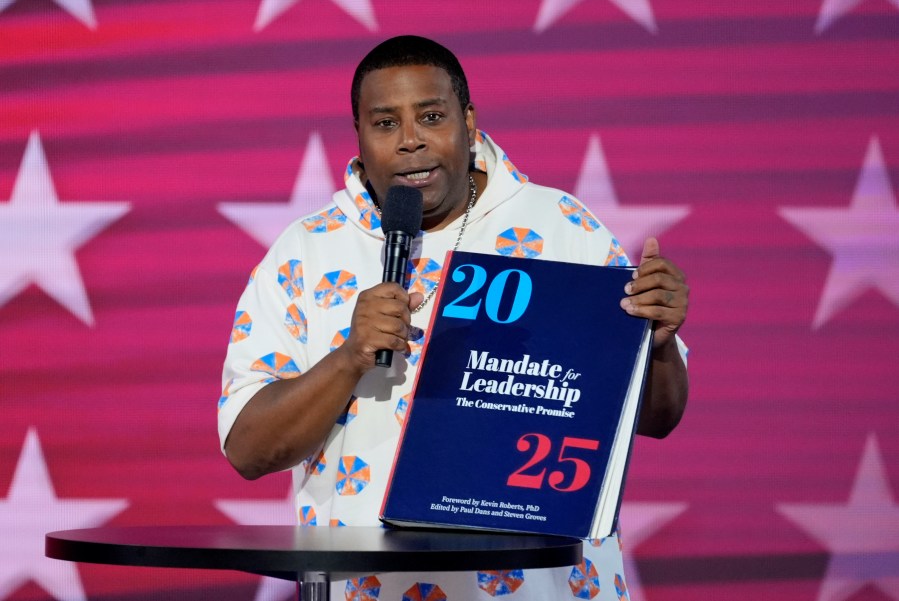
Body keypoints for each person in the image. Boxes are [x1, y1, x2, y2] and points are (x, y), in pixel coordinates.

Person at [218, 35, 688, 600]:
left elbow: (657, 418)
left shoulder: (564, 227)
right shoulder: (304, 252)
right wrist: (348, 359)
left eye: (432, 116)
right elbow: (248, 449)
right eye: (385, 123)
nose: (411, 140)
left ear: (468, 122)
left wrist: (659, 343)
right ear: (360, 137)